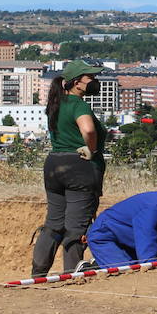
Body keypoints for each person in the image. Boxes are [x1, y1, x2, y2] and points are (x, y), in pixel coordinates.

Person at [30, 60, 108, 275]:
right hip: (79, 168)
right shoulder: (78, 104)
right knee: (76, 227)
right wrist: (91, 149)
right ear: (77, 83)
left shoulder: (56, 103)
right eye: (90, 78)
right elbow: (88, 129)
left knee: (53, 224)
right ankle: (72, 274)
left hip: (54, 165)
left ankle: (38, 274)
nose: (95, 81)